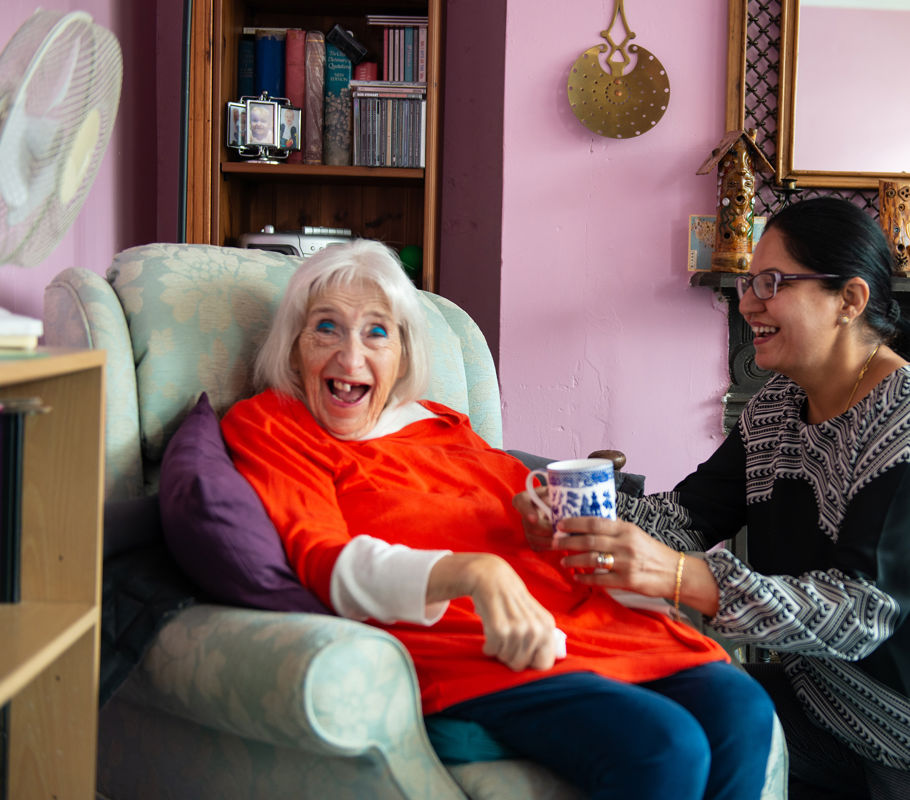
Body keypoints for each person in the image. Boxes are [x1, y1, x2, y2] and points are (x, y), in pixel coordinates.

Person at [221, 238, 775, 800]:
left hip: (576, 620)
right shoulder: (275, 426)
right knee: (667, 745)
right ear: (293, 348)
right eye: (326, 327)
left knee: (744, 708)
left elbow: (517, 504)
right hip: (474, 646)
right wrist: (472, 572)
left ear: (404, 355)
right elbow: (324, 560)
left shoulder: (440, 422)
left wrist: (540, 517)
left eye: (377, 332)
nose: (351, 357)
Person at [516, 197, 910, 800]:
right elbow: (683, 519)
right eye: (749, 282)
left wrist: (682, 577)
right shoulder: (777, 406)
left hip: (896, 738)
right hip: (817, 705)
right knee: (654, 714)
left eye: (772, 283)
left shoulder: (899, 422)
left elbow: (860, 615)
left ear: (849, 302)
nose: (747, 301)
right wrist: (567, 501)